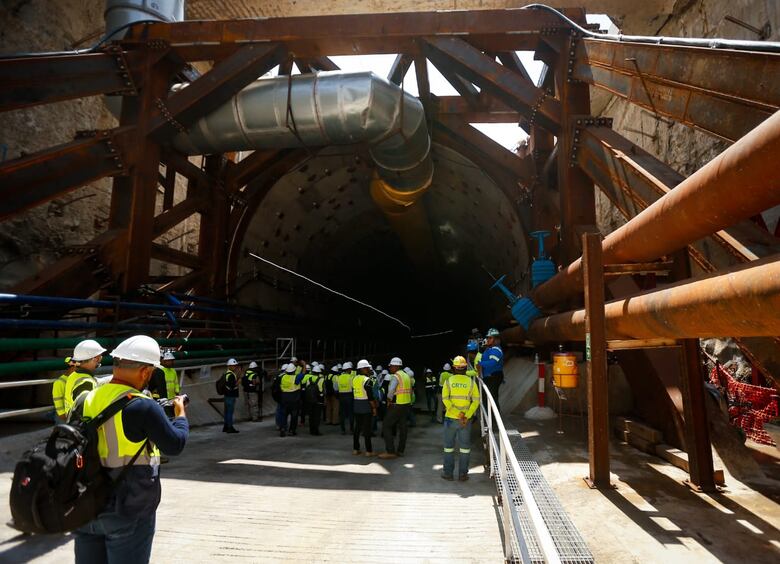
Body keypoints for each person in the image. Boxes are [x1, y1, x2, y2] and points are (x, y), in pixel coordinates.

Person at [73, 335, 188, 564]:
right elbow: (175, 444)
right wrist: (180, 415)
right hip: (127, 507)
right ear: (145, 372)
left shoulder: (85, 399)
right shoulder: (141, 405)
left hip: (85, 505)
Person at [441, 355, 480, 481]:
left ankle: (448, 473)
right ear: (465, 369)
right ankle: (463, 474)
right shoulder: (471, 382)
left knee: (448, 447)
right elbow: (476, 401)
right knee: (464, 448)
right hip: (465, 421)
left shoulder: (448, 382)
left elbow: (445, 400)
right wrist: (466, 415)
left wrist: (456, 413)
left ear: (454, 368)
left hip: (450, 419)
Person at [379, 357, 413, 459]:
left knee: (386, 425)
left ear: (396, 366)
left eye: (391, 366)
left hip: (397, 404)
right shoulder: (406, 376)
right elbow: (411, 390)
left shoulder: (396, 376)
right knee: (403, 428)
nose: (390, 368)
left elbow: (391, 390)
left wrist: (389, 401)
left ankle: (390, 451)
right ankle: (400, 451)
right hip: (406, 404)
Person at [64, 339, 106, 412]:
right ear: (95, 359)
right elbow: (85, 410)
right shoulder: (86, 383)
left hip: (72, 420)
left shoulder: (74, 375)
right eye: (100, 356)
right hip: (81, 422)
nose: (101, 359)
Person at [353, 360, 378, 456]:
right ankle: (369, 451)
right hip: (366, 405)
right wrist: (374, 407)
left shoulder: (355, 379)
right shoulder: (367, 380)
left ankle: (356, 449)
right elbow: (370, 395)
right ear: (363, 369)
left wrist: (371, 377)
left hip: (356, 404)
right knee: (367, 429)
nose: (368, 369)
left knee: (357, 428)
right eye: (367, 368)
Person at [479, 328, 504, 413]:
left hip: (494, 376)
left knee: (492, 398)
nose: (487, 339)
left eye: (490, 338)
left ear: (496, 339)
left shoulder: (496, 350)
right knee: (488, 398)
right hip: (489, 377)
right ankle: (491, 418)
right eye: (488, 338)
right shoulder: (489, 349)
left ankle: (495, 420)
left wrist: (480, 363)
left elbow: (492, 363)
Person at [280, 363, 305, 437]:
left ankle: (283, 429)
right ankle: (292, 430)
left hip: (284, 398)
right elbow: (303, 373)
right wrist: (303, 365)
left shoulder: (283, 377)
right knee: (294, 415)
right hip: (294, 399)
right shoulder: (296, 378)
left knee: (284, 415)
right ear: (294, 371)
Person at [52, 356, 77, 422]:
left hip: (71, 415)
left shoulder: (75, 379)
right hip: (63, 417)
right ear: (72, 367)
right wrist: (63, 416)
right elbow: (58, 401)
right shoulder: (59, 382)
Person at [336, 361, 355, 435]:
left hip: (341, 396)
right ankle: (351, 429)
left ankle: (343, 430)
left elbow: (336, 388)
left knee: (342, 413)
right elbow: (353, 387)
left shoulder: (338, 377)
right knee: (351, 413)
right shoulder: (351, 377)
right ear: (348, 369)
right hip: (349, 395)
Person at [223, 358, 240, 433]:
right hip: (231, 396)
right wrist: (238, 382)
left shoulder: (227, 374)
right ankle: (230, 427)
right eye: (233, 366)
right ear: (229, 366)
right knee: (230, 412)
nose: (235, 367)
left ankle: (226, 427)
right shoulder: (231, 375)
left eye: (235, 365)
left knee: (227, 412)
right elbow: (233, 386)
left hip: (227, 395)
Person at [307, 365, 325, 435]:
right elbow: (324, 390)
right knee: (317, 416)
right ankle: (316, 431)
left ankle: (311, 430)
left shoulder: (309, 379)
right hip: (319, 399)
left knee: (311, 416)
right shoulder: (322, 379)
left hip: (310, 399)